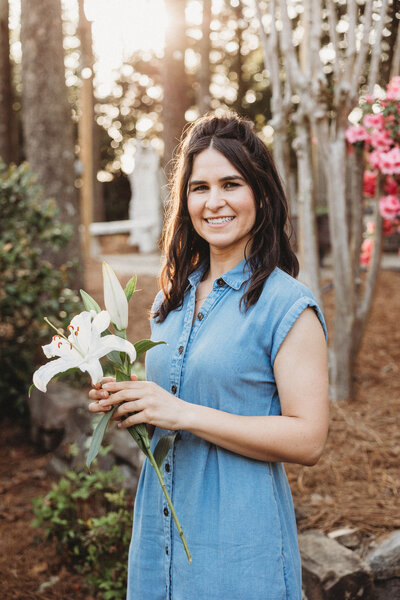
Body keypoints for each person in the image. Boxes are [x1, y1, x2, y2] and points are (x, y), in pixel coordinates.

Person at [88, 112, 329, 600]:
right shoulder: (169, 299)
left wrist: (181, 413)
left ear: (260, 194)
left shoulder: (287, 304)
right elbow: (177, 394)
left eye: (231, 184)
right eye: (199, 187)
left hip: (241, 547)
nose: (214, 202)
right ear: (185, 201)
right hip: (159, 540)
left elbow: (309, 439)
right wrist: (131, 400)